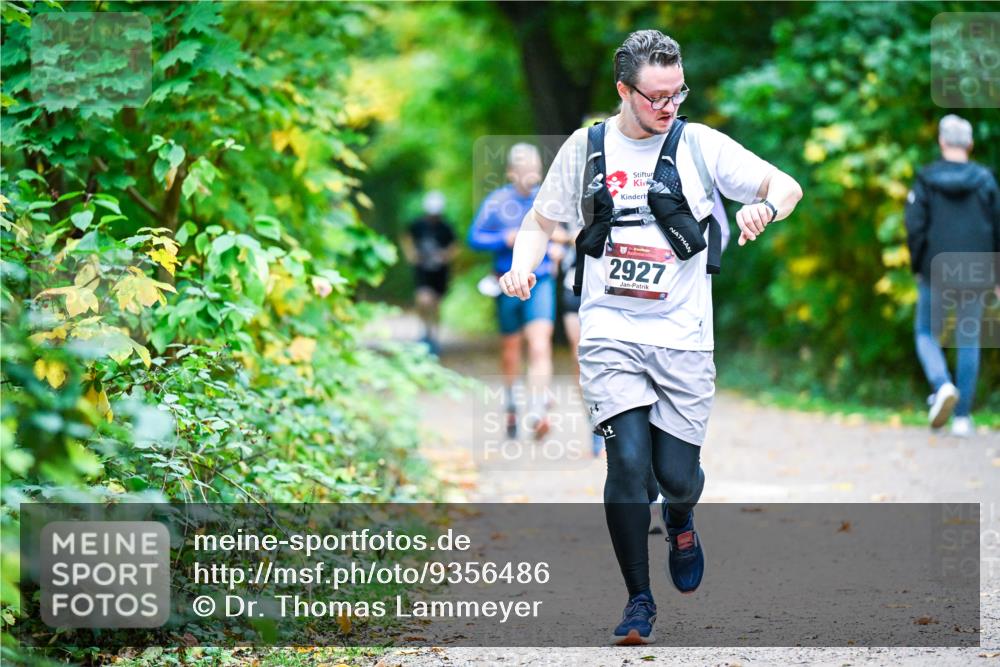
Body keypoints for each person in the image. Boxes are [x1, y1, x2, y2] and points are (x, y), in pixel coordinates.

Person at [499, 30, 802, 645]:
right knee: (628, 464)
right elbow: (540, 220)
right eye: (656, 96)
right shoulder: (587, 150)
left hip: (683, 335)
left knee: (676, 475)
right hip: (610, 328)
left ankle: (683, 513)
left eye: (677, 92)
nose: (669, 105)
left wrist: (762, 209)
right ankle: (638, 601)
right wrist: (522, 263)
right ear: (623, 91)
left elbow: (786, 186)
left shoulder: (700, 146)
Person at [905, 114, 1000, 437]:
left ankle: (942, 384)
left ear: (942, 142)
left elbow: (915, 228)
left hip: (936, 268)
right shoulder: (986, 181)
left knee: (925, 332)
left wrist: (918, 266)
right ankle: (962, 419)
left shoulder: (926, 180)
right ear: (969, 144)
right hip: (976, 271)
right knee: (968, 338)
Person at [469, 144, 558, 439]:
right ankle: (511, 403)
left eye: (534, 166)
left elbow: (566, 233)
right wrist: (502, 238)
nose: (530, 173)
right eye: (523, 168)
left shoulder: (546, 202)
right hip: (505, 282)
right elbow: (474, 238)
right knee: (511, 349)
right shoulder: (497, 202)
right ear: (510, 172)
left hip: (540, 278)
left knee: (540, 343)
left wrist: (560, 244)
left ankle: (538, 409)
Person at [401, 191, 457, 356]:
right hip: (422, 270)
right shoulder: (418, 225)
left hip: (440, 272)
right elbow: (406, 237)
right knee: (423, 300)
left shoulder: (446, 227)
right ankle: (424, 332)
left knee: (436, 304)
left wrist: (446, 256)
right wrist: (411, 254)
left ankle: (434, 334)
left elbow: (455, 246)